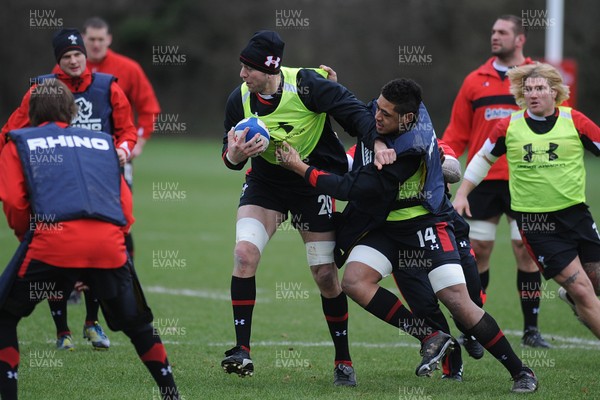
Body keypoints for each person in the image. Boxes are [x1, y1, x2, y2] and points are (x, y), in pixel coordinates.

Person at [220, 30, 451, 386]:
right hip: (265, 187)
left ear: (270, 67)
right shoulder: (240, 100)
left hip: (311, 186)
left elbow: (356, 113)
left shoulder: (309, 86)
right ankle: (241, 351)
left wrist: (377, 142)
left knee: (327, 277)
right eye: (241, 67)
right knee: (243, 256)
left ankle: (344, 361)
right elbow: (228, 154)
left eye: (248, 69)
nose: (242, 75)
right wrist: (235, 154)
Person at [277, 78, 538, 393]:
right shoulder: (395, 113)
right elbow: (358, 114)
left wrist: (299, 167)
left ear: (406, 119)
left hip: (425, 225)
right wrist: (329, 85)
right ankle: (429, 335)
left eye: (386, 115)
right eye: (379, 108)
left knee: (458, 301)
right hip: (387, 228)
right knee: (354, 281)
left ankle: (520, 371)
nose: (378, 117)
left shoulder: (408, 151)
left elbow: (350, 189)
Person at [0, 80, 178, 400]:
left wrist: (28, 237)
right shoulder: (103, 142)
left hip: (51, 242)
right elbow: (123, 206)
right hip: (109, 244)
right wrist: (104, 250)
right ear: (72, 111)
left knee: (4, 316)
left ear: (31, 113)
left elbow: (13, 201)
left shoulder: (19, 141)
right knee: (138, 324)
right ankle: (170, 393)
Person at [1, 28, 138, 351]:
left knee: (95, 251)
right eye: (67, 56)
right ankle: (63, 331)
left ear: (85, 56)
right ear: (58, 61)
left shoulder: (107, 86)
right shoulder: (42, 89)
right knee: (57, 252)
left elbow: (127, 130)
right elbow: (13, 131)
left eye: (78, 54)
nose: (74, 60)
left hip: (98, 179)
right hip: (54, 182)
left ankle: (92, 323)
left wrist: (124, 150)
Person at [453, 62, 600, 339]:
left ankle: (572, 297)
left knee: (594, 284)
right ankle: (573, 299)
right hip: (536, 222)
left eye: (540, 88)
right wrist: (462, 193)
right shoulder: (509, 126)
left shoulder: (575, 121)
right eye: (528, 89)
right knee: (582, 289)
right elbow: (483, 158)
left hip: (577, 215)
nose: (533, 94)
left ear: (554, 91)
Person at [441, 14, 550, 348]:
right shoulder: (475, 80)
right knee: (478, 252)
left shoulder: (540, 78)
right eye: (492, 32)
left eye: (502, 32)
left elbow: (559, 125)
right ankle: (475, 325)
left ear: (520, 39)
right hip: (482, 182)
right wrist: (443, 158)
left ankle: (531, 330)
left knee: (526, 252)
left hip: (526, 180)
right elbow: (457, 132)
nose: (495, 36)